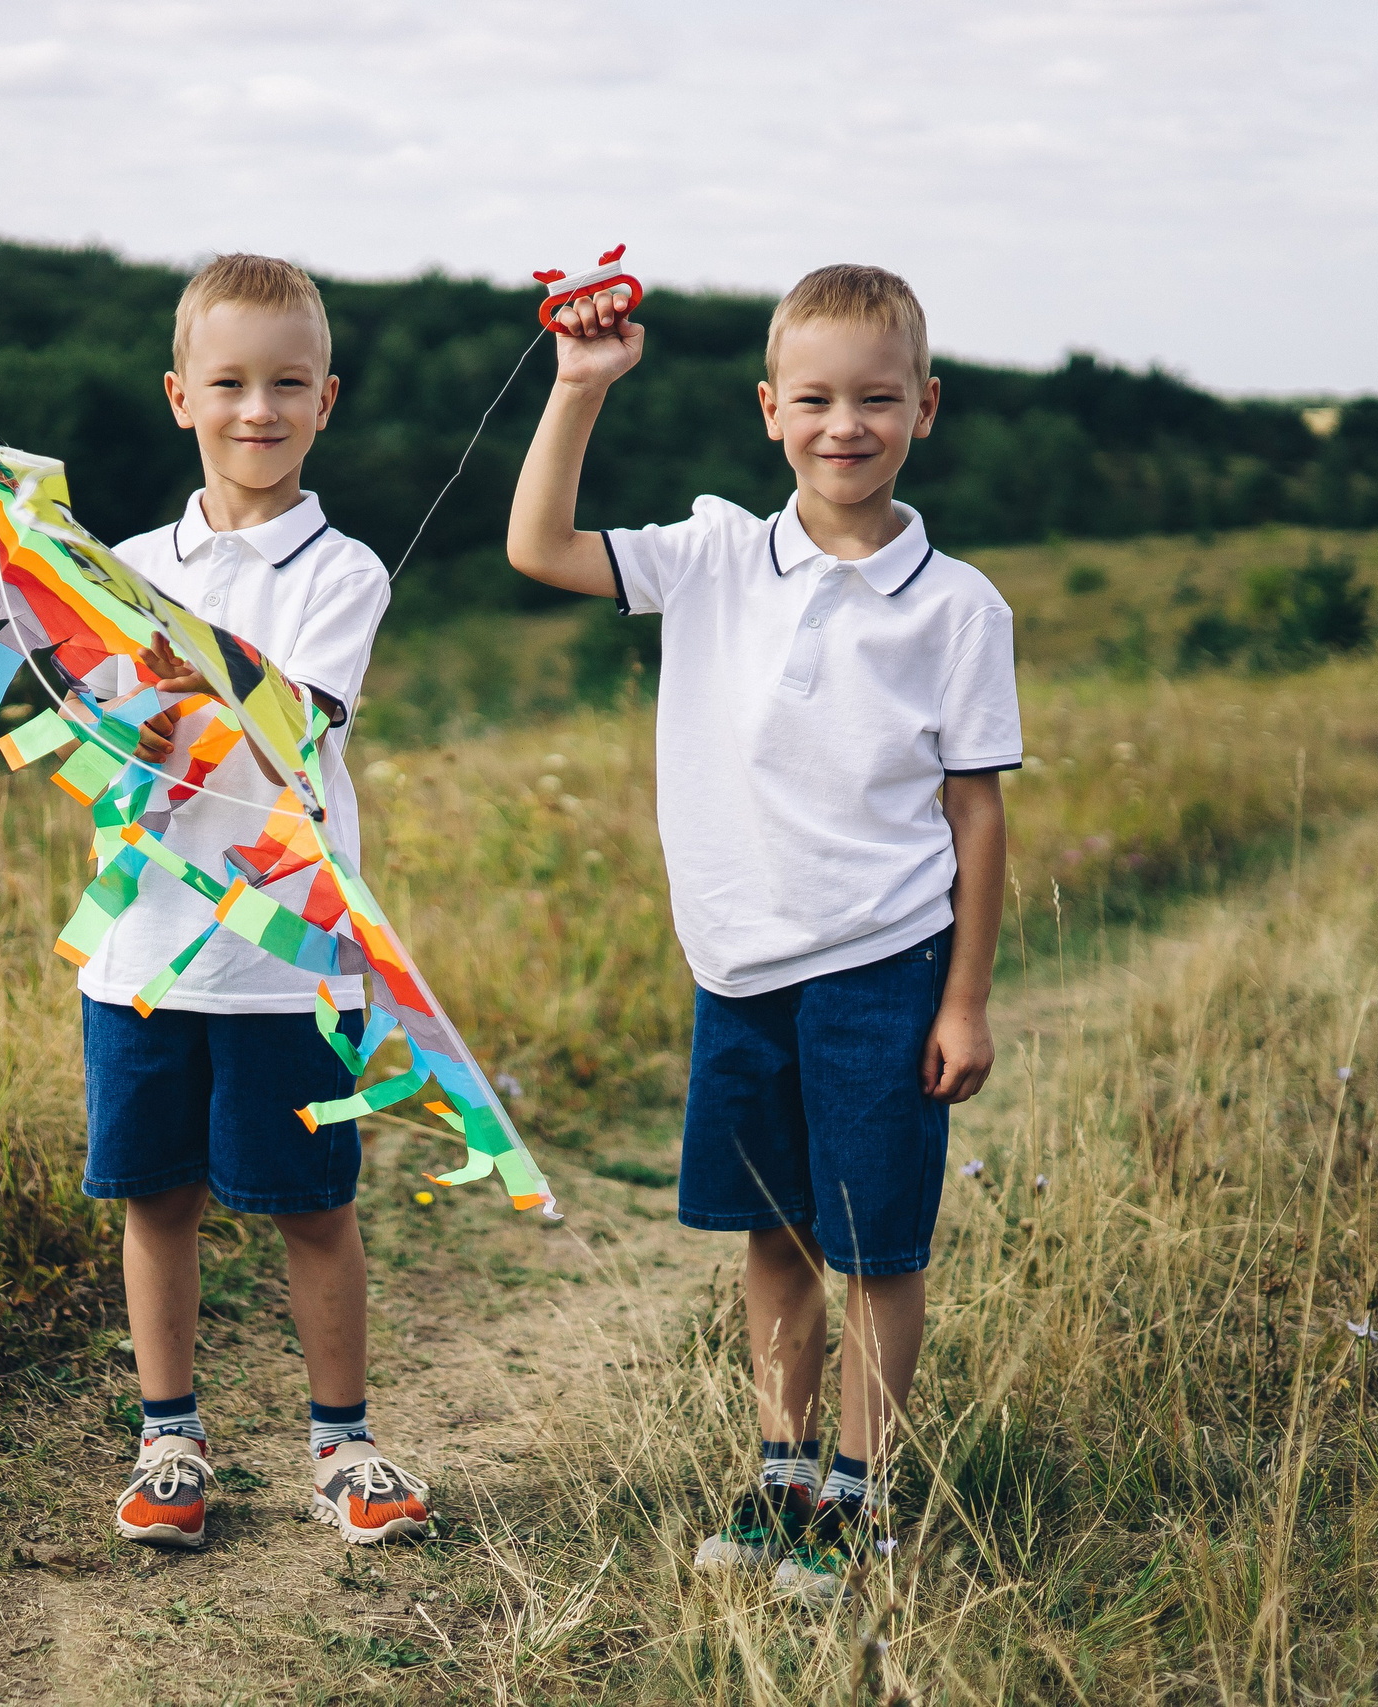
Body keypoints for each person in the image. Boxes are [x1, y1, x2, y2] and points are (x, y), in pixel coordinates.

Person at [505, 263, 1018, 1602]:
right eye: (815, 400)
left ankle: (859, 1497)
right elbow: (539, 548)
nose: (844, 426)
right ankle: (782, 1472)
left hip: (885, 965)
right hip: (740, 967)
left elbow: (977, 818)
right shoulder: (719, 554)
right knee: (774, 1235)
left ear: (925, 407)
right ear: (769, 410)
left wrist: (963, 1003)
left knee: (878, 1244)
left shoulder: (958, 607)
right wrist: (577, 389)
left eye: (876, 400)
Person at [83, 253, 429, 1552]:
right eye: (228, 383)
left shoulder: (343, 573)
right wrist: (87, 655)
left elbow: (283, 722)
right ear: (180, 396)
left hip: (291, 961)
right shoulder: (118, 564)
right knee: (154, 1196)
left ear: (327, 400)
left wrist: (163, 669)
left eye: (287, 384)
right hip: (146, 953)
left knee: (311, 1203)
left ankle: (343, 1443)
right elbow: (105, 733)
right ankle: (168, 1439)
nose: (257, 410)